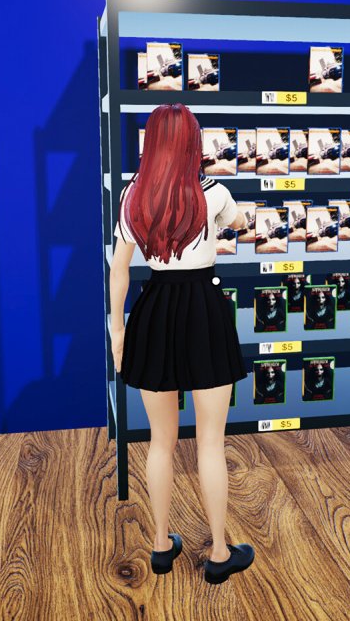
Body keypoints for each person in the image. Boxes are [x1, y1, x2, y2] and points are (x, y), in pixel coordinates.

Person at [107, 103, 256, 585]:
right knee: (211, 441)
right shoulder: (213, 193)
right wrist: (238, 220)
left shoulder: (133, 195)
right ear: (194, 142)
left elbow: (119, 269)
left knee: (160, 442)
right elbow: (239, 222)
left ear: (151, 143)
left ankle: (159, 545)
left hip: (153, 312)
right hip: (204, 313)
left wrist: (116, 331)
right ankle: (219, 552)